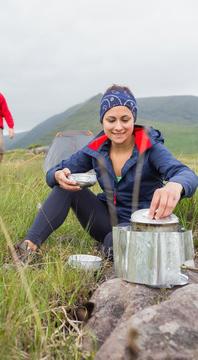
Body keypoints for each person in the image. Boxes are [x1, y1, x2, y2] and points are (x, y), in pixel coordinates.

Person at [13, 84, 198, 263]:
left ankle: (110, 251)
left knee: (112, 242)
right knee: (64, 187)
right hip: (105, 220)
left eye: (125, 120)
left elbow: (185, 173)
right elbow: (53, 171)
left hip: (143, 224)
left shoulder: (150, 147)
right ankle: (27, 250)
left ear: (133, 119)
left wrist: (176, 185)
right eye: (111, 120)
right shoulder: (96, 149)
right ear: (103, 121)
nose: (118, 127)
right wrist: (57, 176)